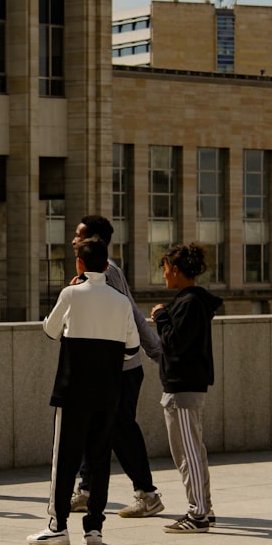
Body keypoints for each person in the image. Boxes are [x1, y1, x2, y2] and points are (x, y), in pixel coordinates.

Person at [27, 237, 140, 545]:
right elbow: (132, 348)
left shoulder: (71, 293)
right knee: (100, 460)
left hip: (72, 390)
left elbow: (50, 330)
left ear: (79, 264)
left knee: (64, 458)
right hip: (107, 391)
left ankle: (58, 524)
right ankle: (94, 528)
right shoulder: (120, 301)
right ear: (107, 266)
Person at [68, 216, 164, 518]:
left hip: (120, 369)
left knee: (121, 429)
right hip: (109, 369)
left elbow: (130, 313)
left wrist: (155, 349)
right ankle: (85, 490)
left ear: (94, 241)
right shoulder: (102, 272)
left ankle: (147, 494)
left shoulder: (102, 276)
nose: (73, 240)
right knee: (94, 427)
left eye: (79, 235)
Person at [151, 243, 222, 534]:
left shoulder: (189, 304)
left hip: (184, 387)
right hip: (185, 385)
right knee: (191, 451)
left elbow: (174, 343)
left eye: (166, 269)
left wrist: (160, 316)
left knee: (189, 452)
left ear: (177, 270)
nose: (164, 275)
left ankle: (198, 514)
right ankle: (203, 507)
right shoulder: (191, 302)